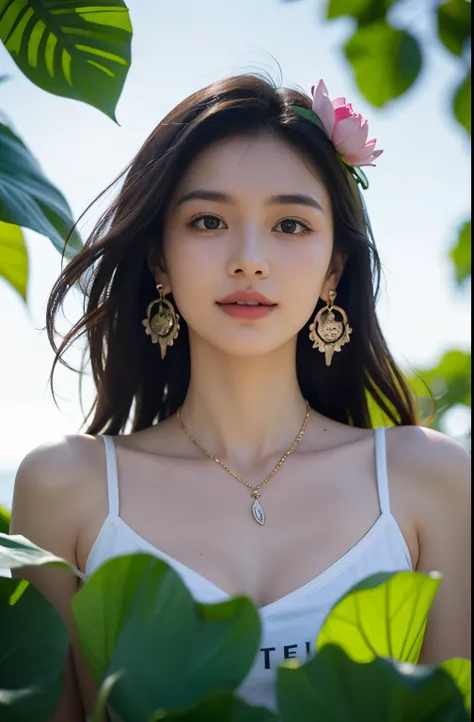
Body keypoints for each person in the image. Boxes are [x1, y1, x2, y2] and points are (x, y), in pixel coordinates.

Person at [10, 73, 470, 721]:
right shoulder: (66, 487)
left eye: (289, 224)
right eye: (208, 220)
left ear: (334, 265)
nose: (249, 259)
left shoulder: (430, 479)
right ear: (160, 260)